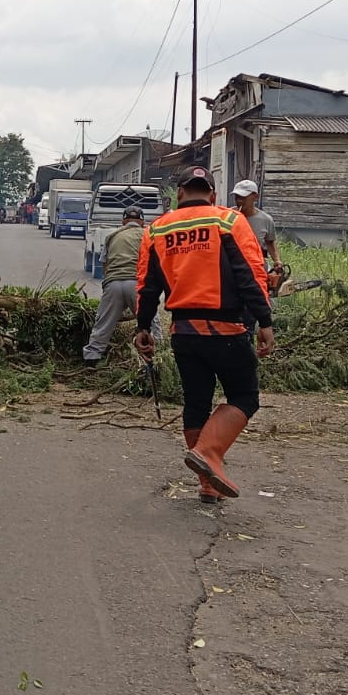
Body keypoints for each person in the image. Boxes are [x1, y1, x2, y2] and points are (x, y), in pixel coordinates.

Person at [134, 167, 275, 504]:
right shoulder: (228, 221)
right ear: (212, 194)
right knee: (244, 397)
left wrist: (143, 327)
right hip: (226, 330)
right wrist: (265, 321)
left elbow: (147, 286)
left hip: (184, 333)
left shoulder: (156, 229)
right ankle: (210, 454)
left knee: (196, 403)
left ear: (179, 193)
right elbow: (251, 275)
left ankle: (208, 484)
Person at [82, 206, 149, 364]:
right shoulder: (148, 235)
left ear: (123, 221)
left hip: (113, 282)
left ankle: (91, 358)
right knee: (150, 323)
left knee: (103, 324)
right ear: (142, 221)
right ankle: (156, 356)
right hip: (137, 284)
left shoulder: (111, 236)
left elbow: (105, 266)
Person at [230, 180, 282, 291]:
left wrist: (277, 260)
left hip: (257, 266)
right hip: (233, 265)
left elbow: (270, 242)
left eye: (243, 197)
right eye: (237, 197)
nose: (239, 201)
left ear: (255, 197)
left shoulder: (265, 220)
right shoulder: (228, 216)